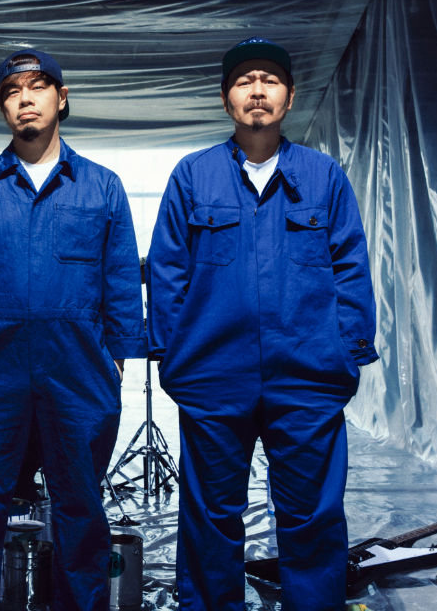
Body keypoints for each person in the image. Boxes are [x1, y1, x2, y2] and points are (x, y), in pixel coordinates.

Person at [148, 37, 377, 610]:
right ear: (226, 98)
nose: (257, 91)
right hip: (213, 375)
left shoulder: (323, 176)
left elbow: (351, 265)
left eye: (270, 80)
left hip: (308, 375)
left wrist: (347, 352)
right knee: (210, 515)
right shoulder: (193, 176)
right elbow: (168, 269)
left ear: (289, 97)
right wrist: (174, 356)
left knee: (313, 515)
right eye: (244, 81)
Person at [0, 49, 144, 610]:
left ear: (61, 98)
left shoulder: (102, 187)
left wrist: (116, 361)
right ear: (1, 107)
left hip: (78, 371)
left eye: (38, 86)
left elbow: (121, 278)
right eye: (11, 91)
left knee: (80, 507)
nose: (25, 98)